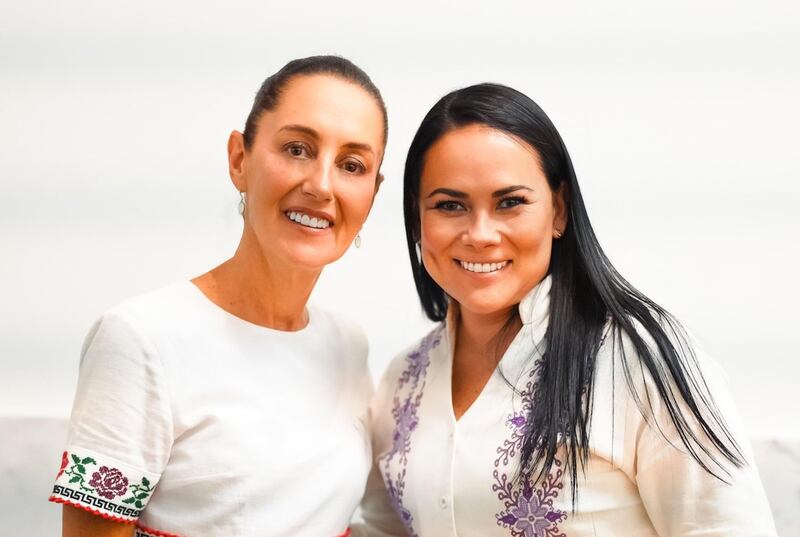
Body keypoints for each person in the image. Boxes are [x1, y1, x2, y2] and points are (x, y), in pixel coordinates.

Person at [355, 83, 776, 536]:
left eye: (510, 203)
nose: (480, 234)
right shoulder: (403, 382)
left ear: (558, 209)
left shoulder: (639, 359)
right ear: (417, 219)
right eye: (449, 205)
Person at [50, 55, 388, 537]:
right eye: (297, 149)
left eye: (352, 165)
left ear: (373, 194)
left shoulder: (348, 344)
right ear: (239, 160)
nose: (320, 184)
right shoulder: (141, 340)